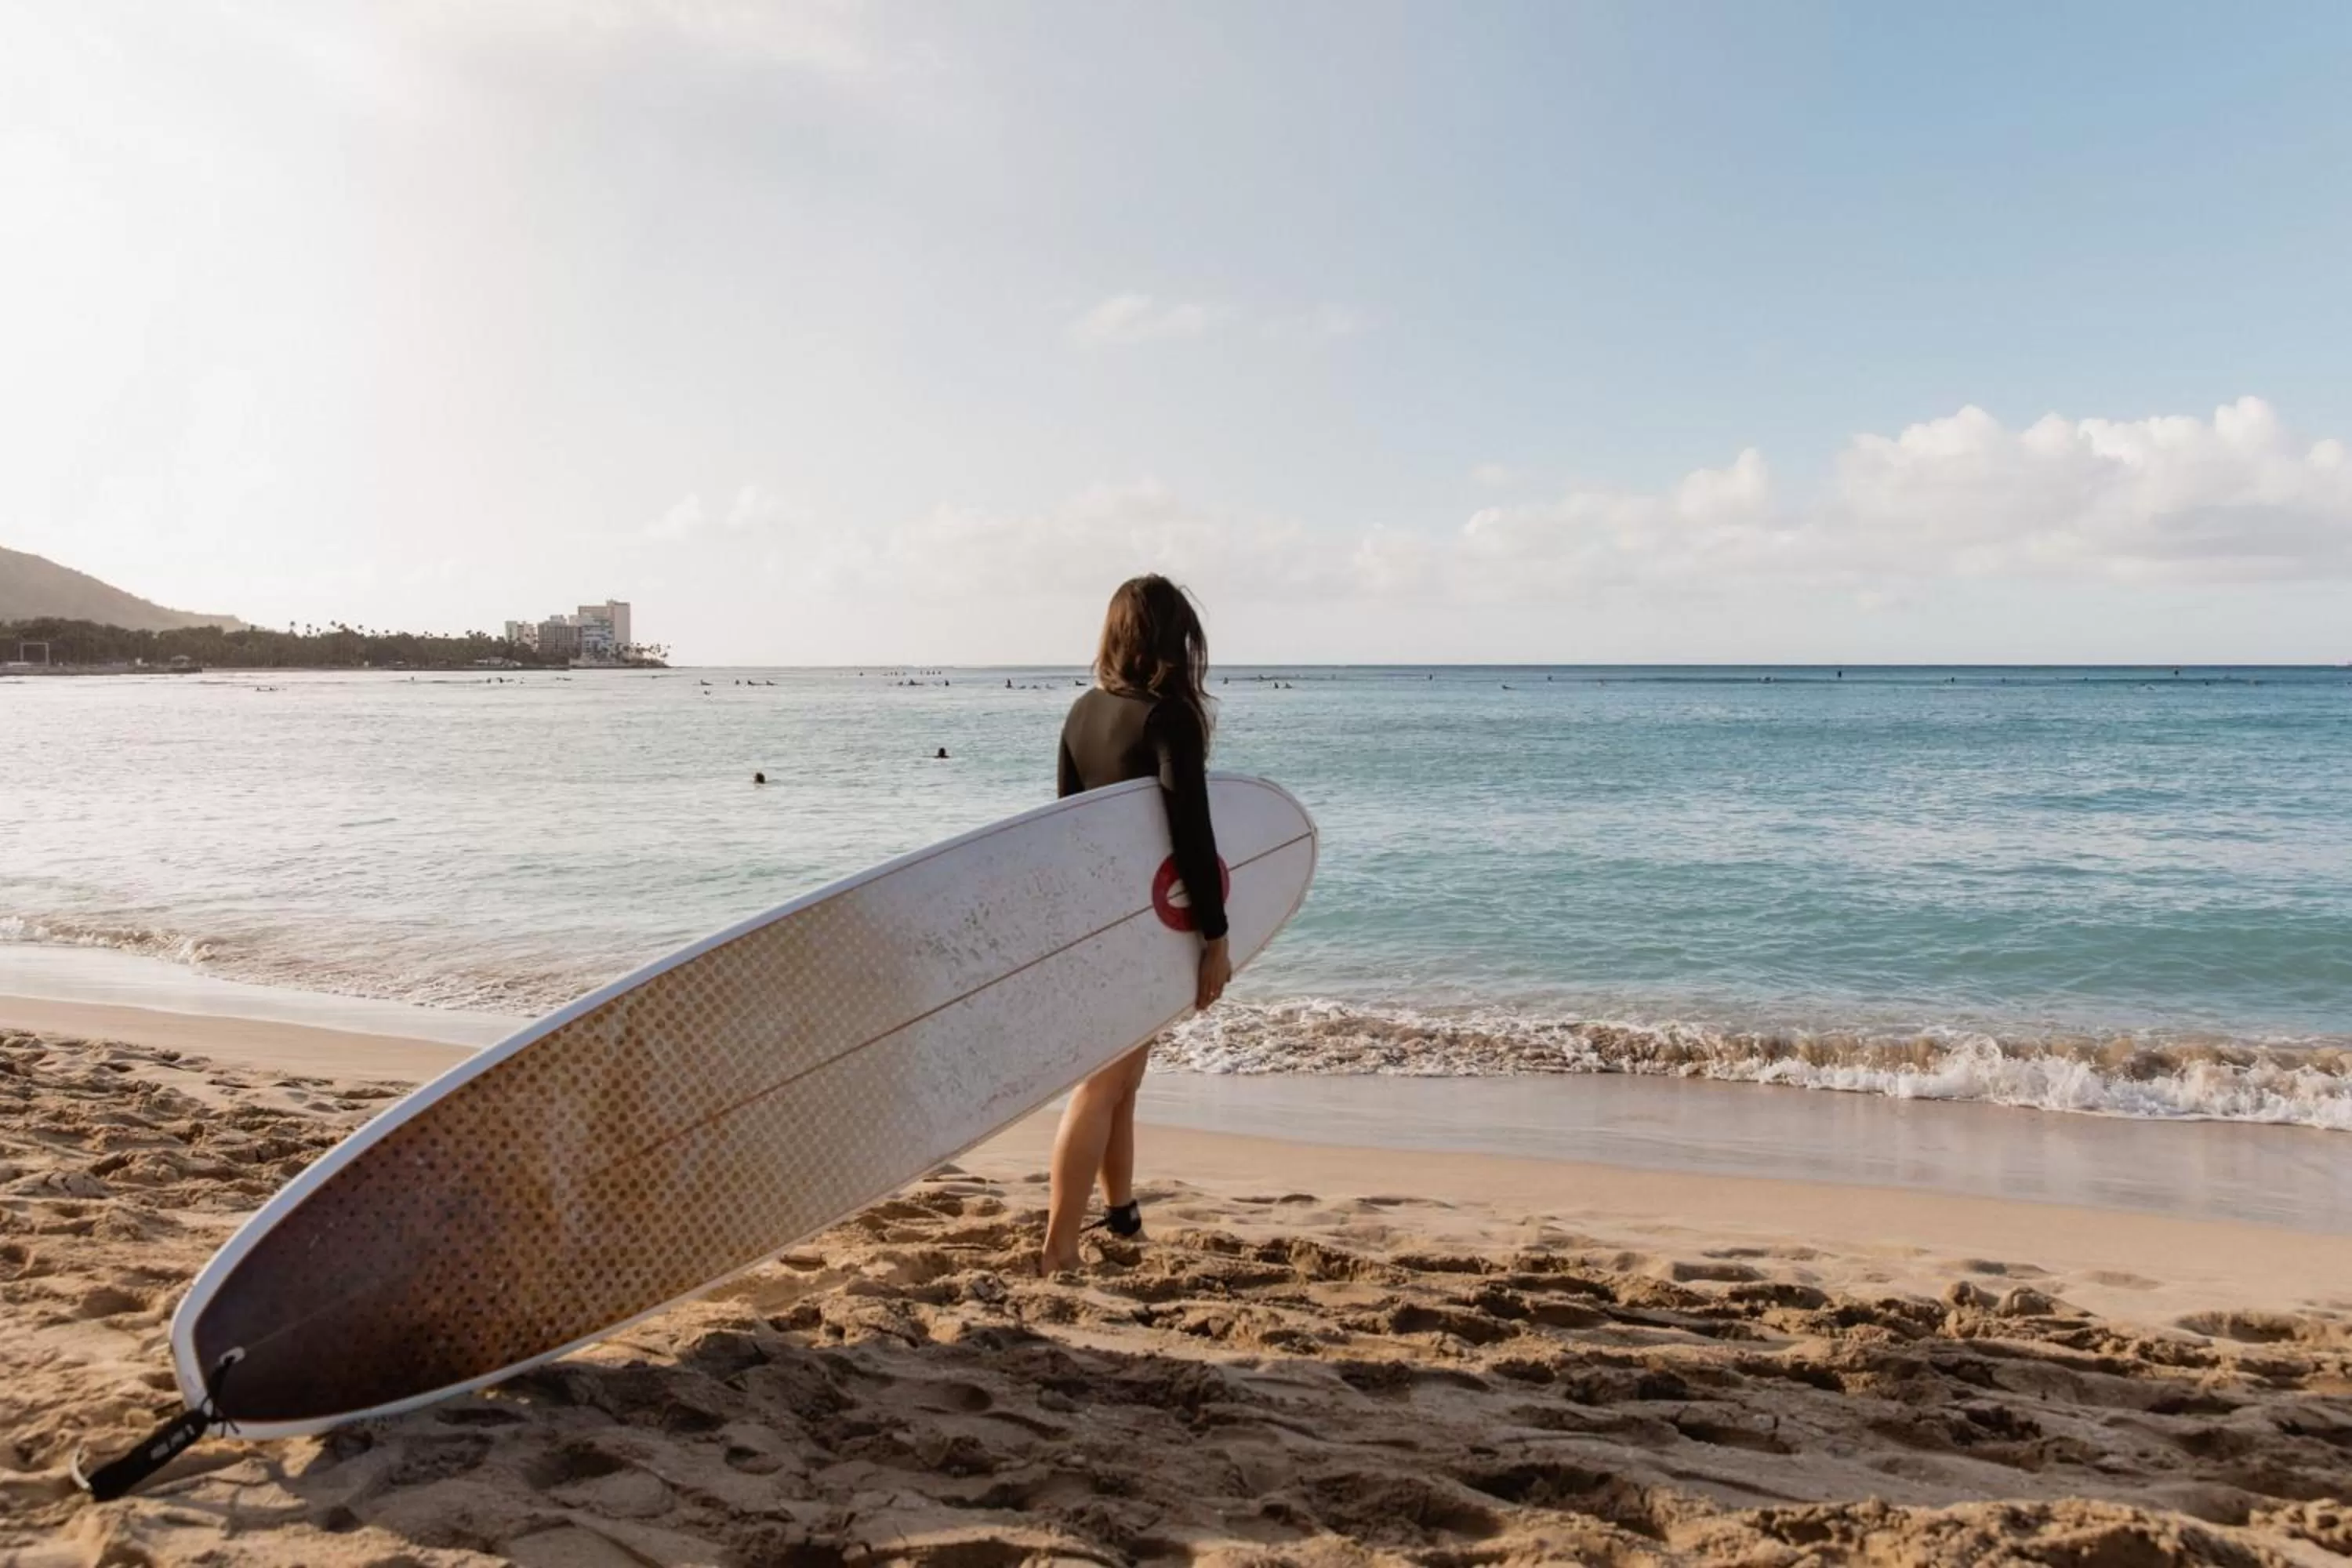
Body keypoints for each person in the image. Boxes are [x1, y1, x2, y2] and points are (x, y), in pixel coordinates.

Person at [1041, 575, 1229, 1275]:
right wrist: (1215, 935)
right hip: (1143, 929)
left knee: (1124, 1081)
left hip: (1099, 921)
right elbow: (1192, 831)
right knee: (1101, 1084)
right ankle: (1059, 1249)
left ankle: (1120, 1219)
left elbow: (1069, 829)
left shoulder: (1082, 713)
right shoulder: (1168, 718)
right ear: (1173, 641)